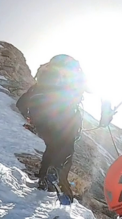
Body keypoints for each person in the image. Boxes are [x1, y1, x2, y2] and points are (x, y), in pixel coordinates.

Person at [16, 54, 86, 198]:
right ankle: (58, 181)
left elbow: (21, 102)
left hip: (40, 118)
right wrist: (106, 115)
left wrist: (28, 116)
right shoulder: (75, 79)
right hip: (63, 116)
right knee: (66, 148)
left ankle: (44, 178)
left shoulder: (44, 79)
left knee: (52, 147)